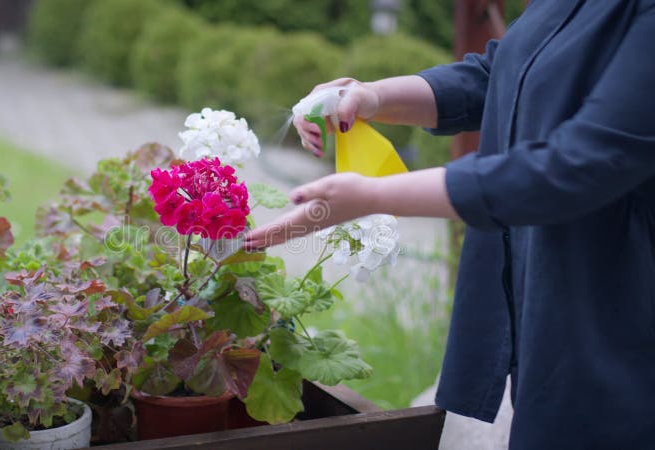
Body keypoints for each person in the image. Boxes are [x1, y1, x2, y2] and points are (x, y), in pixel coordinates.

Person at [245, 1, 655, 448]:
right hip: (552, 301)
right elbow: (496, 74)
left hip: (619, 315)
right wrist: (373, 96)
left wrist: (376, 196)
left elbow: (575, 166)